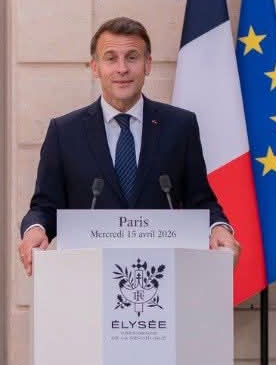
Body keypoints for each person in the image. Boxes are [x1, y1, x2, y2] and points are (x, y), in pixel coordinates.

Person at [18, 17, 240, 275]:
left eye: (132, 57)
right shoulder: (64, 132)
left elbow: (200, 200)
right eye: (111, 58)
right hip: (88, 277)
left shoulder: (180, 126)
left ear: (148, 64)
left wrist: (219, 228)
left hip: (163, 276)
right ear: (95, 67)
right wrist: (35, 229)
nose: (122, 69)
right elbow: (45, 206)